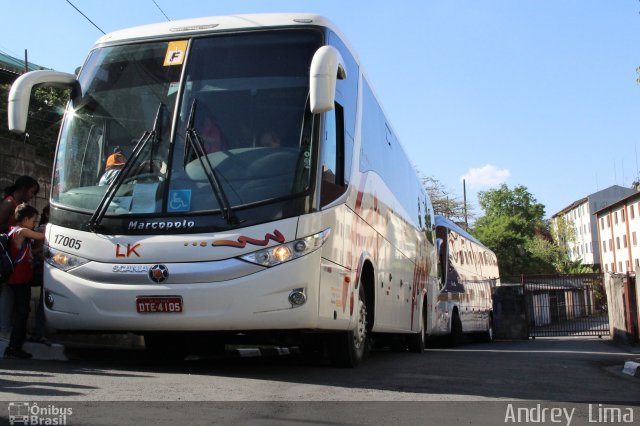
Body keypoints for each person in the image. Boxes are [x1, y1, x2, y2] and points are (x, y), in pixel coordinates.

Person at [3, 203, 45, 359]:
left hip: (21, 278)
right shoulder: (21, 231)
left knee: (22, 312)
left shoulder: (14, 232)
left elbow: (29, 251)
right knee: (22, 313)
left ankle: (16, 344)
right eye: (33, 221)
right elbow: (42, 236)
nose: (34, 224)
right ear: (25, 219)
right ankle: (14, 346)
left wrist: (38, 251)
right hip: (19, 280)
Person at [0, 176, 39, 339]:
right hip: (8, 255)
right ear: (23, 189)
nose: (32, 196)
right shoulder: (9, 204)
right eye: (31, 192)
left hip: (14, 255)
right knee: (7, 294)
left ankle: (13, 330)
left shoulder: (19, 206)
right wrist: (18, 231)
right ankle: (4, 329)